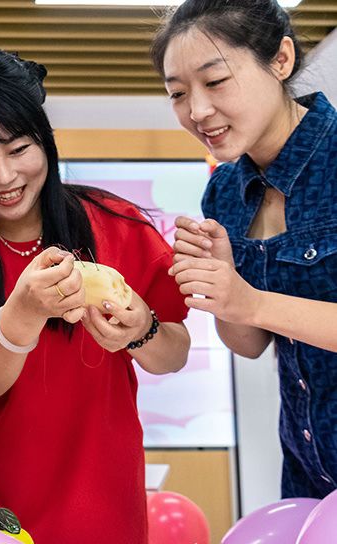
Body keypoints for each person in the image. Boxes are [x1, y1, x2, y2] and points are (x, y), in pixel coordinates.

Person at [0, 48, 191, 543]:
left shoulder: (118, 225)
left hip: (106, 494)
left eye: (19, 149)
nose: (4, 176)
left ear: (45, 141)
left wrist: (142, 330)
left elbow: (174, 355)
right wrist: (22, 313)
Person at [153, 0, 337, 498]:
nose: (197, 111)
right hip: (308, 470)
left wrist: (250, 300)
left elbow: (254, 308)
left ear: (281, 60)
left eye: (215, 81)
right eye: (178, 94)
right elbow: (250, 344)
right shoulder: (224, 191)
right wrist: (221, 290)